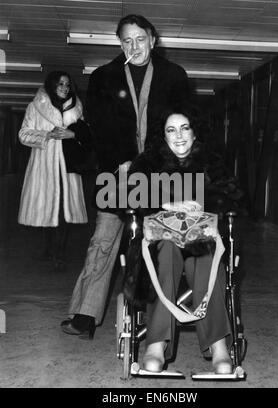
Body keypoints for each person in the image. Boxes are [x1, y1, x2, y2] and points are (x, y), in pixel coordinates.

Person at [61, 14, 190, 338]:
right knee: (103, 241)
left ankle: (156, 314)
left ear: (153, 39)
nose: (135, 46)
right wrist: (120, 161)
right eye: (127, 41)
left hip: (161, 172)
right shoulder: (104, 77)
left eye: (140, 39)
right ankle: (84, 316)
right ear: (120, 43)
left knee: (159, 243)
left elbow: (185, 124)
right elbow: (99, 127)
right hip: (117, 173)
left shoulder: (174, 76)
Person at [124, 104, 244, 374]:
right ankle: (155, 345)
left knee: (206, 255)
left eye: (184, 128)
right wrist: (167, 203)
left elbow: (233, 194)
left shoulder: (211, 161)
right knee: (164, 252)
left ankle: (219, 347)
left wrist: (201, 204)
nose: (179, 135)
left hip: (199, 237)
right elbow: (129, 194)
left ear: (194, 131)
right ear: (163, 136)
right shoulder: (147, 162)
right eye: (171, 130)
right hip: (159, 240)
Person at [18, 71, 90, 271]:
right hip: (44, 167)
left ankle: (59, 253)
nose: (65, 88)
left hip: (68, 167)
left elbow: (86, 133)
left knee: (62, 211)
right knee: (47, 207)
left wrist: (72, 133)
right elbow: (23, 134)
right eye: (60, 84)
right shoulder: (35, 107)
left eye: (67, 85)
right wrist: (46, 135)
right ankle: (49, 248)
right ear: (51, 85)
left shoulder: (76, 108)